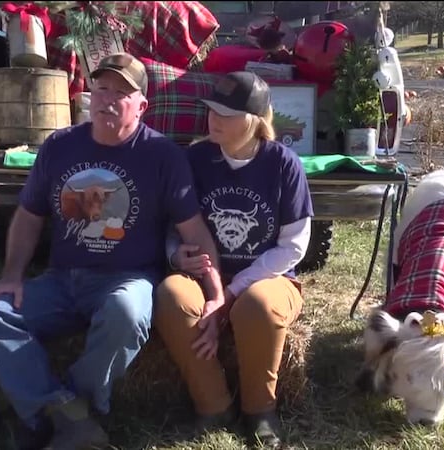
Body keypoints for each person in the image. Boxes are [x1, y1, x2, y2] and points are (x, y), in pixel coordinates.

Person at [0, 52, 225, 450]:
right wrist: (12, 275)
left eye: (121, 93)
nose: (107, 99)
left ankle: (61, 413)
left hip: (128, 279)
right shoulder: (59, 146)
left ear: (142, 105)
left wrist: (216, 293)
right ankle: (65, 414)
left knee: (127, 312)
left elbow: (194, 229)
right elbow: (29, 215)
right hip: (62, 280)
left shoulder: (163, 157)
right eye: (101, 88)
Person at [154, 71, 314, 448]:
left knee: (256, 307)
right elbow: (173, 227)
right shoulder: (194, 158)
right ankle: (213, 405)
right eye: (211, 110)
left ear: (255, 120)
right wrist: (176, 255)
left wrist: (231, 291)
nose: (214, 119)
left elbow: (294, 246)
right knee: (170, 296)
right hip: (203, 278)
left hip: (268, 278)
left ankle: (260, 411)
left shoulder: (283, 164)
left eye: (226, 113)